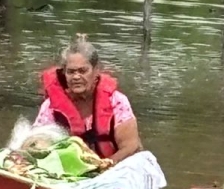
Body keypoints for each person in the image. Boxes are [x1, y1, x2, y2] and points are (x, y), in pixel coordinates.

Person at [35, 35, 143, 165]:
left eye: (83, 71)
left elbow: (130, 146)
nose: (76, 77)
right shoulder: (50, 107)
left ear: (96, 71)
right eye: (71, 72)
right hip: (68, 169)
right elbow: (37, 141)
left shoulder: (117, 101)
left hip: (114, 167)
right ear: (64, 74)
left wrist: (104, 166)